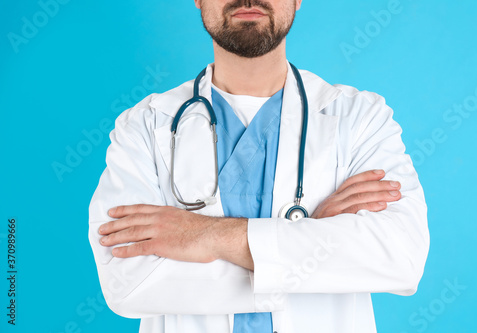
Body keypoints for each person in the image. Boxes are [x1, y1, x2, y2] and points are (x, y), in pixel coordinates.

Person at [88, 0, 430, 332]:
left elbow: (400, 255)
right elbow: (127, 283)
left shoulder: (360, 119)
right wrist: (307, 241)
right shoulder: (145, 125)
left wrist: (204, 235)